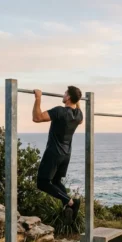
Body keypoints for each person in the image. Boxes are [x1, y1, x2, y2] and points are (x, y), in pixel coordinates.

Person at [32, 86, 83, 223]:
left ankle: (70, 202)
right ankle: (69, 205)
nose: (63, 94)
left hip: (54, 152)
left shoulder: (60, 111)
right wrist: (77, 100)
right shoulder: (79, 115)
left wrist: (38, 97)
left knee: (42, 182)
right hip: (66, 154)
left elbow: (37, 118)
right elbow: (78, 110)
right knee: (55, 181)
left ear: (68, 98)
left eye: (65, 93)